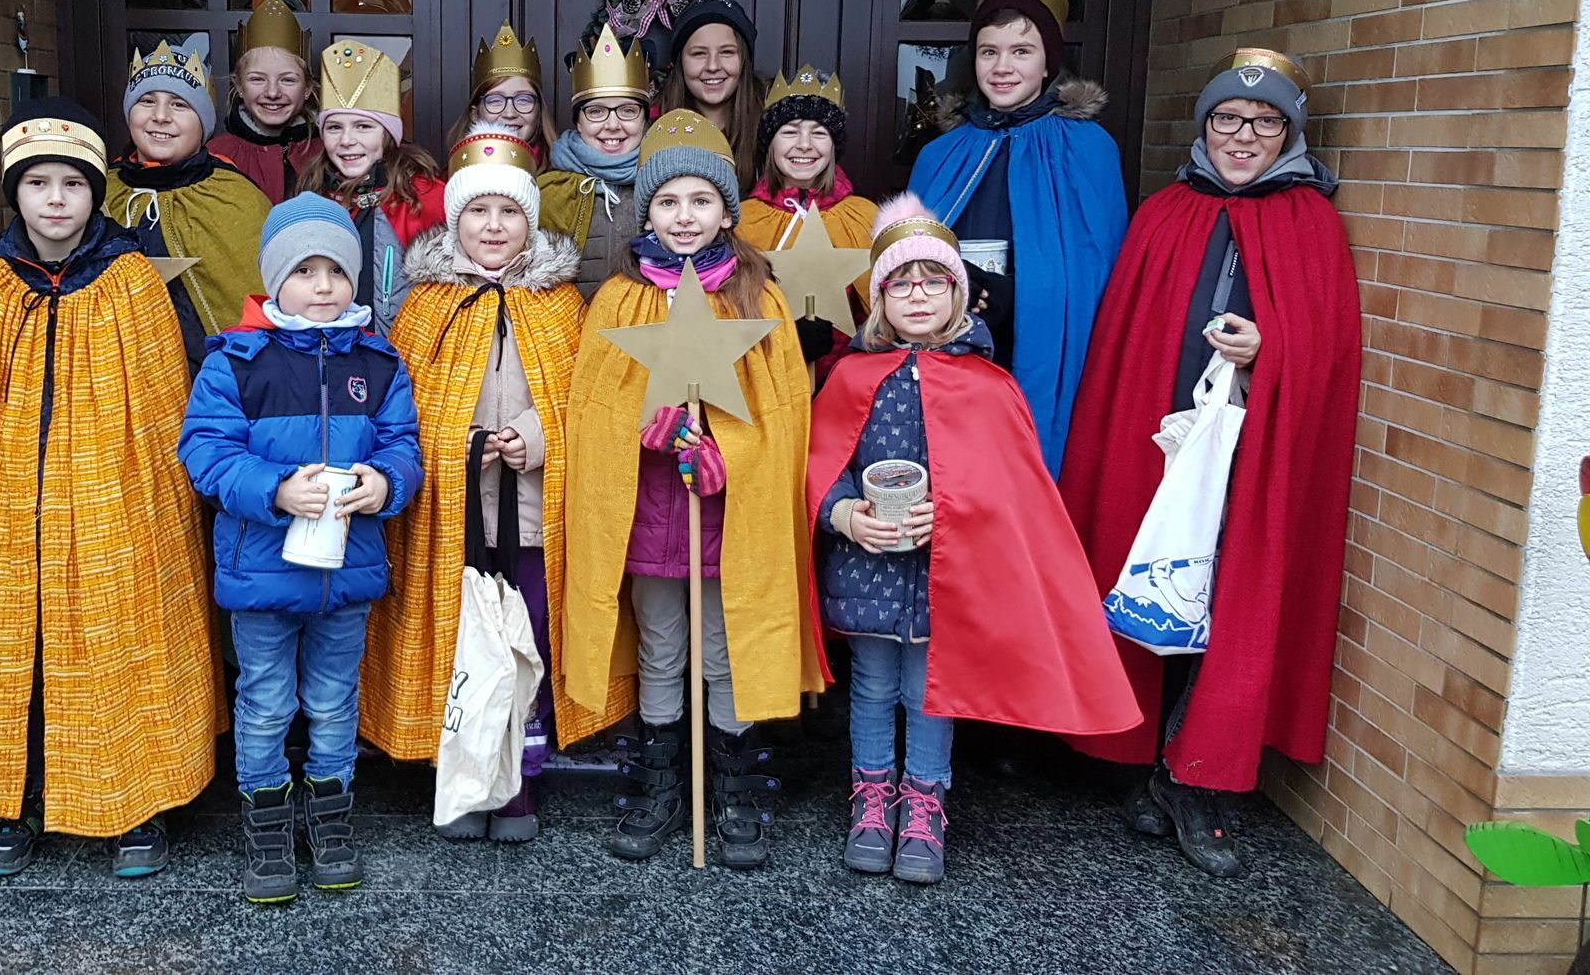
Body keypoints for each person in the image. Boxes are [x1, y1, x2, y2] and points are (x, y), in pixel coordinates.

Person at [1059, 49, 1361, 879]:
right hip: (1157, 438)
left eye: (1265, 122)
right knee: (1151, 577)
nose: (1243, 136)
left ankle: (1195, 775)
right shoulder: (1165, 213)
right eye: (1228, 118)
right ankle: (1139, 758)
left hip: (1251, 451)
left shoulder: (1310, 224)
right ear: (1206, 126)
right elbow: (1124, 338)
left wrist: (1271, 350)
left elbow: (1329, 351)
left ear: (1289, 133)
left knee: (1229, 591)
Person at [806, 194, 1141, 885]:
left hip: (946, 573)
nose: (917, 294)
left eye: (933, 280)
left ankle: (924, 807)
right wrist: (844, 516)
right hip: (866, 566)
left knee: (934, 689)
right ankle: (871, 802)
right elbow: (818, 466)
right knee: (872, 684)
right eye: (900, 282)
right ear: (878, 297)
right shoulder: (851, 375)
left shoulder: (990, 386)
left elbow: (1010, 487)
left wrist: (953, 513)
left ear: (958, 293)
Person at [0, 98, 220, 881]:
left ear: (96, 191)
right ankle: (12, 802)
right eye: (37, 184)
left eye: (73, 184)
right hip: (7, 506)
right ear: (15, 193)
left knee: (124, 633)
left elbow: (161, 414)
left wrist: (137, 501)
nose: (55, 200)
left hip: (115, 500)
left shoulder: (131, 282)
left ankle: (139, 803)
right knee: (13, 645)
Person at [562, 109, 821, 869]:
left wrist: (731, 457)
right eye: (669, 202)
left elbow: (782, 413)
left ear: (726, 212)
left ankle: (733, 784)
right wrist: (640, 433)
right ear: (647, 211)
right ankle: (661, 782)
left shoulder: (758, 298)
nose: (684, 216)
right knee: (661, 646)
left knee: (725, 647)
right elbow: (594, 408)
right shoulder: (620, 299)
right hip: (650, 516)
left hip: (725, 521)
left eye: (701, 201)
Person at [366, 123, 627, 842]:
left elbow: (585, 400)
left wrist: (536, 439)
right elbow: (404, 408)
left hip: (534, 515)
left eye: (509, 211)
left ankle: (516, 783)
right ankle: (460, 777)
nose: (493, 225)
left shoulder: (561, 305)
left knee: (526, 643)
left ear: (529, 221)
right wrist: (458, 441)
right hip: (453, 517)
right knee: (461, 644)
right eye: (478, 210)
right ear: (456, 219)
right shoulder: (426, 304)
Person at [179, 191, 424, 905]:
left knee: (334, 697)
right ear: (273, 279)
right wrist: (276, 489)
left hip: (346, 573)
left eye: (337, 271)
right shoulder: (237, 362)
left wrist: (385, 482)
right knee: (263, 700)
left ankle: (331, 814)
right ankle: (266, 822)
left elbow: (403, 444)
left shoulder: (378, 362)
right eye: (305, 271)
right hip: (262, 573)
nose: (323, 286)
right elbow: (206, 451)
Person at [904, 0, 1128, 475]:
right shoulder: (940, 154)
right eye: (989, 52)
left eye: (1021, 52)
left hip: (1043, 349)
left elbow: (1100, 270)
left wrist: (1022, 293)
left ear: (1048, 63)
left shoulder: (1090, 149)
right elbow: (905, 255)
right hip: (951, 345)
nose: (1002, 67)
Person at [107, 40, 274, 371]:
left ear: (203, 122)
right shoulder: (100, 193)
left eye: (179, 105)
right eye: (147, 101)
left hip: (214, 383)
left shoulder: (237, 197)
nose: (160, 116)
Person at [298, 39, 445, 336]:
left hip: (405, 350)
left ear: (388, 134)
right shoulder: (312, 196)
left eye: (363, 126)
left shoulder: (425, 197)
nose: (347, 140)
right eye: (334, 127)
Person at [738, 65, 878, 371]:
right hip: (770, 376)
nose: (804, 144)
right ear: (771, 144)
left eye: (819, 133)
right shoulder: (744, 221)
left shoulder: (863, 216)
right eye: (790, 132)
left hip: (845, 377)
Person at [538, 24, 652, 295]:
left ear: (644, 119)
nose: (612, 125)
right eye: (596, 111)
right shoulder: (548, 191)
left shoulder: (664, 184)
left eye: (628, 110)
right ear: (579, 121)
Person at [209, 0, 325, 203]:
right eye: (257, 79)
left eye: (287, 80)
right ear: (239, 86)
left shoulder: (327, 154)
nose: (272, 92)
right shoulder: (215, 157)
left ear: (307, 88)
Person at [657, 0, 765, 190]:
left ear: (744, 59)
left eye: (727, 52)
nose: (713, 66)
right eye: (699, 54)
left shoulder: (773, 126)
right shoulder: (654, 124)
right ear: (680, 62)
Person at [446, 23, 558, 164]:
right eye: (495, 101)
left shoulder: (563, 176)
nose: (509, 114)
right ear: (475, 114)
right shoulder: (454, 175)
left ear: (539, 111)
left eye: (523, 100)